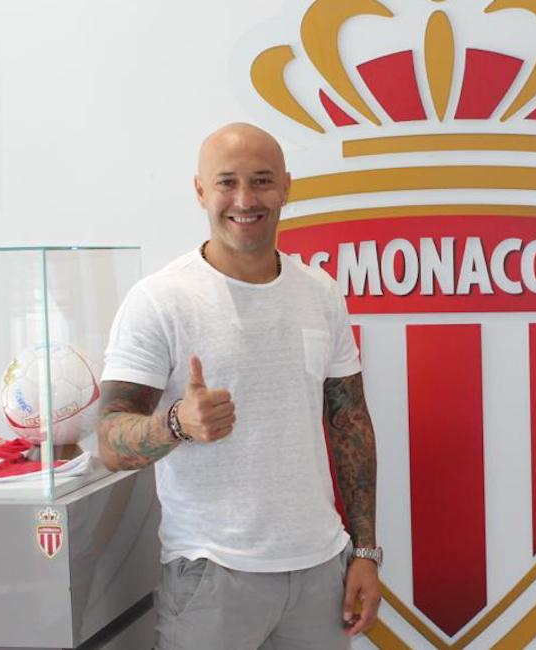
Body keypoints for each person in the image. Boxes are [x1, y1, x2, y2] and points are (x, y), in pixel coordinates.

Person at [95, 123, 382, 650]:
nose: (245, 200)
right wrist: (177, 424)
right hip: (211, 575)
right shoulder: (160, 299)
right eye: (227, 182)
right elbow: (110, 442)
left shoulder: (320, 293)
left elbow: (349, 421)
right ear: (200, 191)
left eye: (262, 181)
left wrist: (364, 552)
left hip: (320, 569)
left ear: (286, 187)